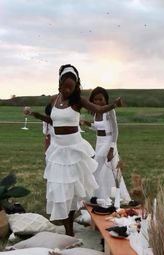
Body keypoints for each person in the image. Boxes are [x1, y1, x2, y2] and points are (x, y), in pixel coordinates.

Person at [23, 64, 122, 236]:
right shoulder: (53, 100)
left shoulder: (77, 101)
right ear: (59, 83)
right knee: (60, 189)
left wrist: (113, 105)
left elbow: (98, 109)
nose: (68, 89)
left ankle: (70, 230)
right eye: (65, 86)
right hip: (58, 149)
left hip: (74, 150)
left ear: (76, 86)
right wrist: (35, 115)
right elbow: (53, 121)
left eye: (72, 86)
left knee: (73, 191)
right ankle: (68, 229)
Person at [81, 86, 130, 205]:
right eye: (95, 100)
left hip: (108, 143)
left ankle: (91, 196)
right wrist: (86, 123)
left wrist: (111, 149)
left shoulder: (109, 111)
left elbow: (115, 130)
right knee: (112, 170)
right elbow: (97, 127)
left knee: (95, 168)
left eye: (100, 99)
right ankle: (109, 196)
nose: (98, 102)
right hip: (99, 142)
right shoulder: (96, 113)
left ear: (106, 100)